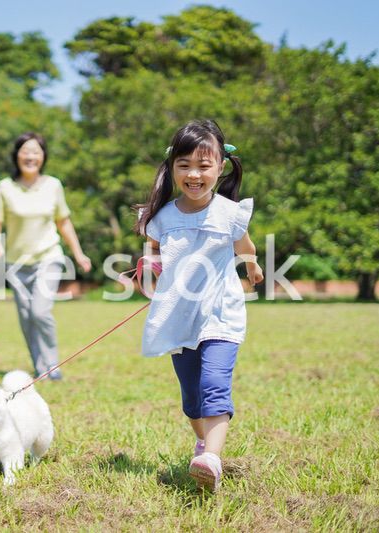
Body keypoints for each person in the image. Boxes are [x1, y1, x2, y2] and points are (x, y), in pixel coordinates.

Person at [135, 119, 264, 492]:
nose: (194, 174)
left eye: (204, 165)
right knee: (192, 399)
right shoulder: (163, 218)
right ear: (172, 167)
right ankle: (203, 441)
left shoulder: (229, 213)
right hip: (180, 318)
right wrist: (151, 274)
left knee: (213, 386)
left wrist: (252, 265)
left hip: (220, 314)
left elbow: (246, 248)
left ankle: (212, 459)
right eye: (184, 165)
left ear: (221, 167)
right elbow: (155, 257)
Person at [0, 132, 91, 380]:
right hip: (16, 263)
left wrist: (78, 253)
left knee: (40, 312)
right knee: (26, 317)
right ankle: (40, 367)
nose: (31, 156)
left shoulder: (53, 185)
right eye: (25, 151)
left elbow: (63, 222)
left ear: (43, 157)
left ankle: (52, 366)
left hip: (48, 257)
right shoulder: (5, 187)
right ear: (16, 156)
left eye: (36, 151)